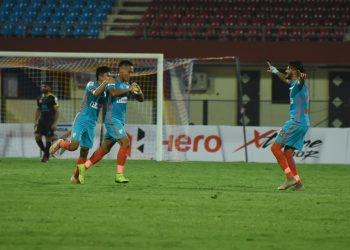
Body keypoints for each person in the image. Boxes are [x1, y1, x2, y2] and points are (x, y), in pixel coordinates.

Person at [76, 60, 144, 184]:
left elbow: (141, 100)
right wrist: (129, 89)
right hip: (112, 119)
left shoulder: (127, 84)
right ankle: (119, 174)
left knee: (105, 149)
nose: (131, 74)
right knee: (125, 143)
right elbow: (113, 93)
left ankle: (83, 167)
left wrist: (138, 92)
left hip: (119, 121)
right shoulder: (112, 81)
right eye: (129, 71)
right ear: (122, 70)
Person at [49, 66, 113, 181]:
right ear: (100, 76)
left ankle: (76, 176)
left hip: (92, 123)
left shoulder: (106, 90)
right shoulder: (91, 85)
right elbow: (96, 93)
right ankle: (60, 143)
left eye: (109, 75)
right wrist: (106, 83)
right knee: (74, 146)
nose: (109, 77)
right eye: (107, 75)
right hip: (82, 119)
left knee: (84, 152)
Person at [267, 61, 309, 191]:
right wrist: (275, 71)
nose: (286, 70)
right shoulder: (293, 85)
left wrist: (302, 77)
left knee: (275, 148)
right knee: (288, 153)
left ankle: (290, 178)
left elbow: (301, 82)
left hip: (295, 123)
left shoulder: (299, 83)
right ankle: (298, 183)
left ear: (295, 71)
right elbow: (286, 79)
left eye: (288, 68)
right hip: (304, 124)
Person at [34, 83, 59, 162]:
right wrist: (35, 121)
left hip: (49, 121)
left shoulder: (53, 97)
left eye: (45, 86)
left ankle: (46, 157)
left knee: (48, 138)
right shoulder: (39, 98)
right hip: (41, 121)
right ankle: (46, 153)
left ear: (49, 87)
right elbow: (38, 110)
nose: (43, 87)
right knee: (37, 136)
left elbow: (57, 111)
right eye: (42, 86)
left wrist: (54, 123)